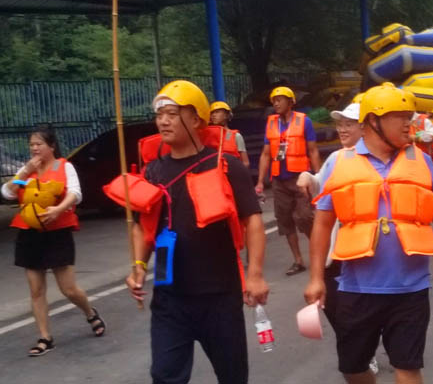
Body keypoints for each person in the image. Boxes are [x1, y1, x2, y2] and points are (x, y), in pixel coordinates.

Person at [305, 83, 433, 384]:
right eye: (400, 117)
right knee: (353, 368)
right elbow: (322, 223)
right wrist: (317, 278)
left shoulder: (420, 161)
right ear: (373, 121)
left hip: (410, 290)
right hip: (356, 289)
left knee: (408, 368)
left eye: (409, 116)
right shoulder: (340, 163)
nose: (408, 124)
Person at [125, 80, 268, 384]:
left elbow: (253, 221)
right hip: (170, 298)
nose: (163, 121)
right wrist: (138, 266)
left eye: (172, 114)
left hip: (219, 297)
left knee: (233, 377)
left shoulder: (226, 166)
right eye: (160, 115)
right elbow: (142, 225)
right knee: (164, 376)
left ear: (196, 119)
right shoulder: (152, 172)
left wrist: (255, 275)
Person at [2, 125, 104, 357]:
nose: (34, 148)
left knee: (68, 289)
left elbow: (75, 193)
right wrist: (25, 171)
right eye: (31, 144)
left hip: (57, 232)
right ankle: (45, 338)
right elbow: (8, 192)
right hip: (29, 233)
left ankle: (90, 313)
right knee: (36, 290)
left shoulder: (64, 167)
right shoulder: (26, 171)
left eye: (39, 144)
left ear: (51, 146)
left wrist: (58, 209)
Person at [296, 101, 380, 376]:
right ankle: (362, 352)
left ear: (365, 128)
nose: (342, 129)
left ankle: (364, 350)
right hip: (335, 254)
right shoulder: (336, 159)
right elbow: (320, 182)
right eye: (340, 124)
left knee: (363, 312)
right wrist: (307, 177)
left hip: (365, 252)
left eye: (349, 124)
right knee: (336, 310)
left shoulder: (381, 161)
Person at [257, 85, 321, 275]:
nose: (276, 103)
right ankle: (298, 260)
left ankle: (320, 253)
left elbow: (313, 151)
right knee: (285, 221)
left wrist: (319, 178)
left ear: (290, 102)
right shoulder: (271, 123)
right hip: (279, 180)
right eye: (274, 101)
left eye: (280, 100)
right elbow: (265, 154)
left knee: (304, 217)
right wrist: (260, 181)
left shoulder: (304, 121)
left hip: (300, 178)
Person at [209, 101, 249, 166]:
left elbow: (245, 162)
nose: (213, 115)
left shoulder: (236, 136)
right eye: (212, 113)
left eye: (217, 112)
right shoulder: (208, 137)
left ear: (226, 115)